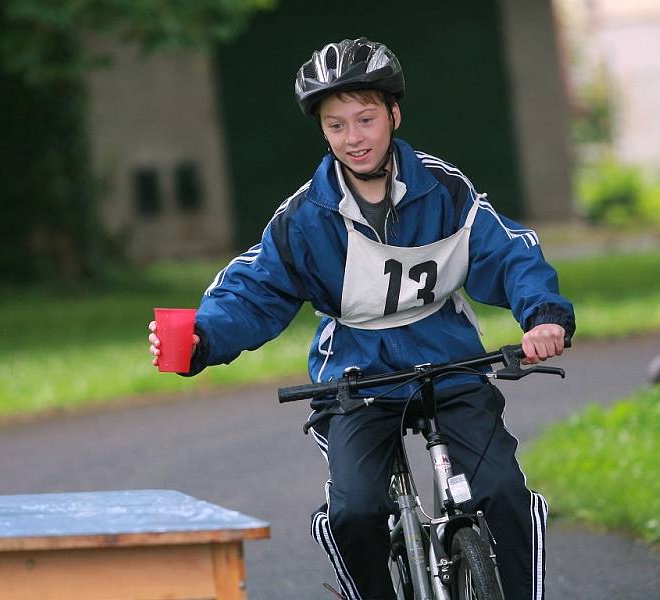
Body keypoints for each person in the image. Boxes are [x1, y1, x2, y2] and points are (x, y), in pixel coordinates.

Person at [149, 37, 574, 600]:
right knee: (356, 512)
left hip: (450, 361)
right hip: (357, 375)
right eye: (336, 126)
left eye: (366, 119)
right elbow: (254, 291)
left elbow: (509, 252)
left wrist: (543, 316)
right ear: (323, 132)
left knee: (503, 491)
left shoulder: (447, 190)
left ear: (393, 115)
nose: (354, 139)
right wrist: (201, 338)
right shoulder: (306, 218)